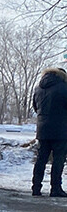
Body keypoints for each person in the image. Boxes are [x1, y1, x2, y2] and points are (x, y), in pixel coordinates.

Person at [31, 67, 67, 197]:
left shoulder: (38, 88)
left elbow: (35, 107)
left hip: (42, 130)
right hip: (61, 130)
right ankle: (55, 188)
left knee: (41, 159)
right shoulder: (64, 87)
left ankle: (36, 188)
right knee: (58, 160)